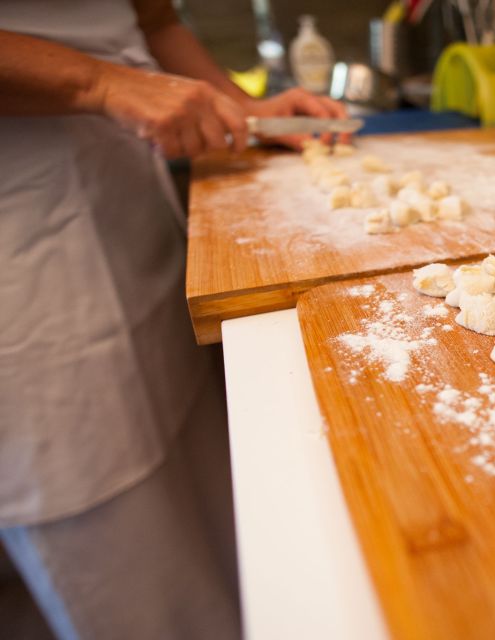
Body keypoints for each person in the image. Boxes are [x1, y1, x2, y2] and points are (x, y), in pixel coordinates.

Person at [0, 1, 348, 638]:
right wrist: (101, 81)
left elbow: (156, 20)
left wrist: (240, 109)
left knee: (227, 525)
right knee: (129, 562)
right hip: (20, 240)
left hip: (128, 196)